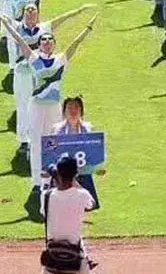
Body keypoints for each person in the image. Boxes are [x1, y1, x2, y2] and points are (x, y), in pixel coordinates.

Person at [2, 14, 96, 192]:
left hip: (54, 106)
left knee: (54, 142)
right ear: (39, 44)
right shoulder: (34, 59)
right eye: (43, 40)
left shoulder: (60, 60)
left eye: (49, 40)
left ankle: (56, 178)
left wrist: (88, 29)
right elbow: (19, 39)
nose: (46, 42)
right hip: (36, 106)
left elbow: (75, 44)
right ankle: (37, 183)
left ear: (54, 44)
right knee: (36, 143)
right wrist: (6, 23)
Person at [41, 156, 95, 274]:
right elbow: (92, 204)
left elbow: (44, 213)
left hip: (52, 261)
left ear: (57, 175)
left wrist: (53, 181)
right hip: (76, 259)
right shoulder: (83, 195)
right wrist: (74, 182)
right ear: (75, 174)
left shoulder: (46, 196)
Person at [52, 97, 100, 210]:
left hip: (84, 172)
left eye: (76, 107)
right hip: (63, 175)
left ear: (81, 111)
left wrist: (99, 166)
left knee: (88, 205)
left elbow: (95, 151)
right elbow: (50, 153)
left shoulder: (88, 129)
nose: (73, 110)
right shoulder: (57, 130)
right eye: (69, 107)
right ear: (64, 112)